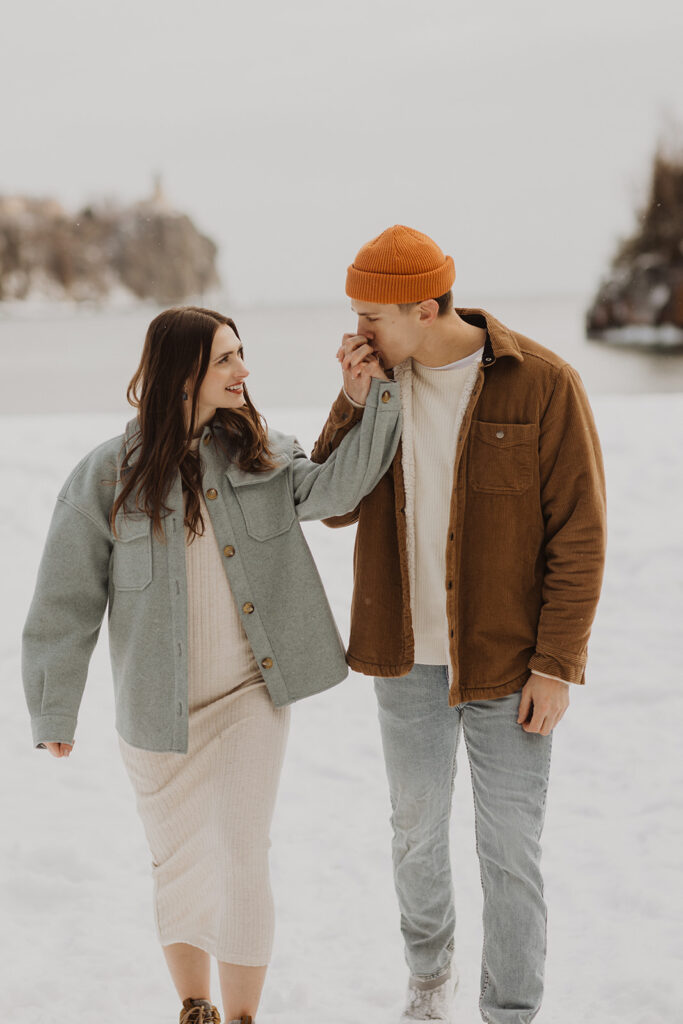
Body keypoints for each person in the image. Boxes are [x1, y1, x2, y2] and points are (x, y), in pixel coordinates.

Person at [22, 305, 401, 1024]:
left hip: (250, 694)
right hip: (154, 710)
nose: (243, 372)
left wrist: (371, 397)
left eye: (242, 354)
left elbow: (336, 489)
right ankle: (194, 1005)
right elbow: (63, 604)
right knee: (179, 862)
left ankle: (243, 1016)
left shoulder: (260, 451)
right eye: (227, 358)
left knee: (238, 847)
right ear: (184, 371)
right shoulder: (106, 475)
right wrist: (54, 709)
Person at [311, 226, 607, 1024]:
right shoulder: (378, 385)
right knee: (414, 831)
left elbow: (579, 535)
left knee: (511, 850)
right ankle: (428, 972)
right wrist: (349, 402)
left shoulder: (542, 383)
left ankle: (509, 1011)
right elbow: (329, 503)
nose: (356, 333)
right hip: (403, 656)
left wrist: (557, 664)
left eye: (372, 317)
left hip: (511, 663)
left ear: (428, 306)